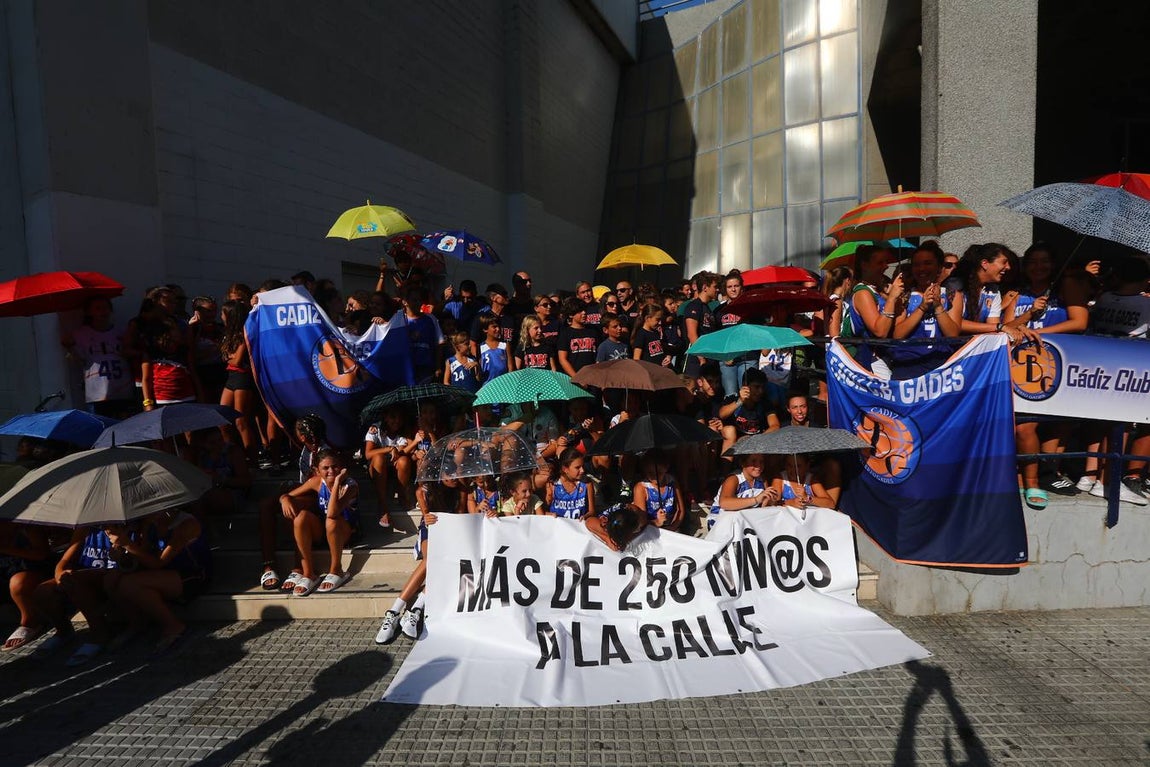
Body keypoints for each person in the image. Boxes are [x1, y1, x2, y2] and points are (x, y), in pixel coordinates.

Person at [104, 509, 212, 655]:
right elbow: (143, 557)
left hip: (190, 574)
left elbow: (158, 562)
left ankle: (173, 625)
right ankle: (136, 623)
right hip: (162, 575)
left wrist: (128, 544)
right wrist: (121, 554)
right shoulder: (149, 523)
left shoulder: (186, 524)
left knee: (131, 584)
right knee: (114, 579)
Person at [375, 478, 467, 644]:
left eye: (456, 473)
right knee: (431, 559)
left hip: (453, 530)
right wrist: (427, 516)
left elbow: (460, 515)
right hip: (431, 528)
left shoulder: (461, 490)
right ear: (440, 474)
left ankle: (415, 610)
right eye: (449, 474)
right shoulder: (423, 491)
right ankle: (394, 612)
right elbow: (426, 518)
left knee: (443, 562)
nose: (454, 478)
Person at [279, 448, 358, 596]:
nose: (331, 471)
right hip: (325, 531)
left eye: (335, 466)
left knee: (331, 520)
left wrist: (336, 484)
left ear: (341, 467)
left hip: (345, 531)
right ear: (317, 470)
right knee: (301, 517)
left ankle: (336, 570)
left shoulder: (350, 485)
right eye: (325, 468)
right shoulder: (316, 482)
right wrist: (284, 499)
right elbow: (287, 495)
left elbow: (333, 512)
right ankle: (308, 572)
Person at [889, 242, 962, 378]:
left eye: (928, 263)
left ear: (939, 267)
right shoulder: (904, 296)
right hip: (908, 367)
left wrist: (938, 306)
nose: (922, 269)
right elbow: (897, 335)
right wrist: (922, 308)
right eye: (916, 265)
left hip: (942, 369)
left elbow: (953, 335)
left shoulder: (953, 295)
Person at [61, 296, 135, 418]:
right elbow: (79, 360)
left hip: (122, 390)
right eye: (98, 308)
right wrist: (69, 347)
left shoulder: (121, 332)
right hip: (97, 393)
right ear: (89, 312)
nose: (103, 312)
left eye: (106, 308)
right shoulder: (80, 335)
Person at [0, 522, 52, 651]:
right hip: (4, 569)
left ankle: (30, 621)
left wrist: (4, 549)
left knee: (19, 583)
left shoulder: (27, 527)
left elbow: (41, 554)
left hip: (29, 568)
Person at [219, 299, 259, 464]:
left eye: (223, 313)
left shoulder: (244, 333)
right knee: (222, 418)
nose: (220, 316)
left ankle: (252, 458)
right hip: (232, 377)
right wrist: (230, 357)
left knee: (241, 420)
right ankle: (232, 454)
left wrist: (229, 357)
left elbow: (236, 360)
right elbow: (227, 358)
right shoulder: (229, 334)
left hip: (243, 377)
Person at [364, 407, 416, 528]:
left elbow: (402, 451)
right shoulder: (375, 429)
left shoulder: (403, 432)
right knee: (378, 457)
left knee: (404, 460)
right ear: (385, 417)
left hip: (394, 468)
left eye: (400, 417)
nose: (397, 420)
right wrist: (389, 448)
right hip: (377, 469)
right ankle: (383, 505)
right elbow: (368, 454)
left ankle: (402, 492)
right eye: (393, 416)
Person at [718, 367, 781, 456]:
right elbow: (722, 414)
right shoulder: (733, 399)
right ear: (745, 385)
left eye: (762, 387)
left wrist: (756, 439)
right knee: (729, 430)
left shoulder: (765, 403)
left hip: (758, 443)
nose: (760, 391)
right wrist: (740, 401)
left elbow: (775, 426)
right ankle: (726, 468)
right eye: (756, 387)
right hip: (736, 442)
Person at [708, 453, 781, 529]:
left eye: (761, 462)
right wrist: (756, 500)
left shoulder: (762, 480)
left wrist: (769, 500)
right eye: (753, 461)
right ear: (743, 463)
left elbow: (764, 505)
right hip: (721, 521)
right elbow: (724, 503)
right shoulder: (733, 479)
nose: (758, 466)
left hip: (744, 520)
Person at [398, 286, 445, 383]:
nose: (418, 303)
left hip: (426, 370)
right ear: (405, 302)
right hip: (405, 370)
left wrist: (438, 367)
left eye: (420, 300)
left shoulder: (430, 319)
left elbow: (439, 344)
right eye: (414, 300)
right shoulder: (398, 319)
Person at [630, 450, 684, 531]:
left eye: (659, 473)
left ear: (666, 468)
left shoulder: (672, 482)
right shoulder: (641, 488)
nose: (655, 477)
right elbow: (641, 521)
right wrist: (657, 522)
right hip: (649, 529)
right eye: (650, 473)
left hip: (671, 526)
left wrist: (673, 527)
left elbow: (680, 510)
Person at [682, 271, 720, 376]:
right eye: (715, 286)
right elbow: (692, 334)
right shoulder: (694, 306)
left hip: (709, 357)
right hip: (696, 360)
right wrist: (701, 358)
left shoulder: (707, 307)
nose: (717, 290)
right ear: (705, 287)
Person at [772, 454, 837, 509]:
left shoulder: (811, 480)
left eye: (798, 466)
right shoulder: (780, 479)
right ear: (785, 465)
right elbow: (772, 503)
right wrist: (789, 503)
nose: (793, 470)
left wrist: (807, 498)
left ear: (807, 466)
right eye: (789, 465)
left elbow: (831, 504)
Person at [545, 448, 595, 519]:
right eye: (577, 467)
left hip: (578, 526)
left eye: (582, 466)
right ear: (565, 469)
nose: (582, 470)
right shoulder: (553, 484)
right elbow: (543, 511)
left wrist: (585, 516)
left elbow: (592, 511)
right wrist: (550, 514)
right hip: (557, 527)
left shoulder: (586, 483)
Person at [557, 297, 599, 376]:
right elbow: (562, 359)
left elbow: (598, 356)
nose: (584, 313)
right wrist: (576, 378)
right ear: (571, 314)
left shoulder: (593, 331)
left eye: (584, 310)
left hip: (593, 377)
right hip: (574, 379)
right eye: (579, 311)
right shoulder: (565, 333)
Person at [477, 314, 514, 381]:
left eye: (499, 326)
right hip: (487, 386)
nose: (498, 329)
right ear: (485, 329)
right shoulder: (480, 347)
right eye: (494, 327)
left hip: (503, 384)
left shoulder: (504, 345)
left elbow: (510, 367)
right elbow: (480, 371)